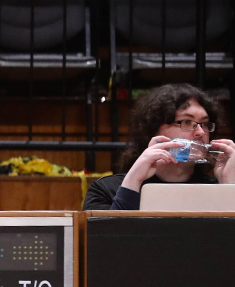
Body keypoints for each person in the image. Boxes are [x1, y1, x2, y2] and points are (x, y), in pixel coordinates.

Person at [85, 84, 235, 211]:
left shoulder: (217, 188)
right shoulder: (106, 190)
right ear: (154, 128)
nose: (201, 132)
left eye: (205, 124)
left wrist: (229, 188)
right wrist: (133, 182)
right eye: (187, 122)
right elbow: (106, 241)